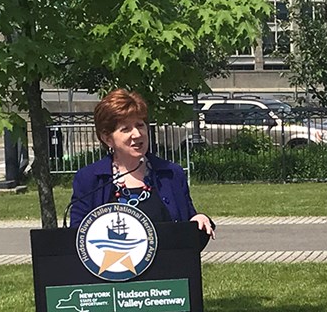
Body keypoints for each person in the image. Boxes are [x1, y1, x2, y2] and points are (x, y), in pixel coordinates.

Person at [68, 89, 216, 238]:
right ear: (107, 138)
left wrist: (199, 220)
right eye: (126, 129)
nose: (137, 134)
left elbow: (187, 220)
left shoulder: (171, 174)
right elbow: (79, 235)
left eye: (140, 125)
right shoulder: (89, 179)